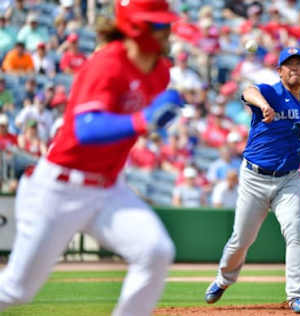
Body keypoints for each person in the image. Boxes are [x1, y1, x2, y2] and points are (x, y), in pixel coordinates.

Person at [0, 1, 183, 316]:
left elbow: (140, 119)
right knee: (16, 290)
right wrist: (144, 119)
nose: (167, 30)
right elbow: (86, 129)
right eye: (158, 24)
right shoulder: (107, 64)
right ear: (136, 27)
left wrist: (153, 118)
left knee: (155, 250)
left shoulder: (161, 72)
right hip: (59, 187)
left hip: (109, 188)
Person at [204, 47, 300, 314]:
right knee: (242, 239)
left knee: (295, 230)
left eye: (299, 64)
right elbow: (248, 91)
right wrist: (264, 105)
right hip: (254, 178)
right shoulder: (271, 92)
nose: (294, 68)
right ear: (279, 71)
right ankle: (223, 279)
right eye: (288, 65)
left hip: (289, 179)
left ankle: (296, 296)